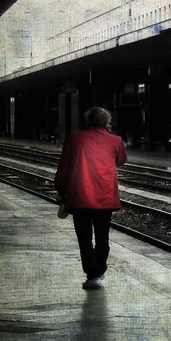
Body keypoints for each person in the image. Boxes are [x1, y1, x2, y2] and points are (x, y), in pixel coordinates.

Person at [54, 107, 128, 290]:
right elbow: (120, 161)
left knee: (84, 238)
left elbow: (63, 169)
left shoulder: (73, 139)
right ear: (107, 123)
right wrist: (110, 136)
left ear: (87, 121)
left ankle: (92, 273)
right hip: (104, 197)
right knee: (103, 236)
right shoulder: (116, 140)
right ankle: (98, 270)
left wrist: (61, 192)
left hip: (79, 197)